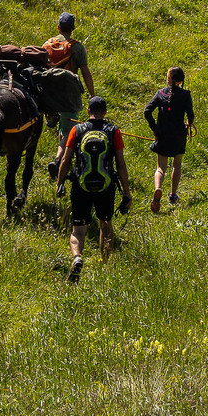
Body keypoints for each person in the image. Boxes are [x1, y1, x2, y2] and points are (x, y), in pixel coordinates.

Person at [54, 95, 131, 283]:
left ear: (88, 111)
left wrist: (60, 182)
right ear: (104, 112)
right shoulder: (114, 131)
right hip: (106, 186)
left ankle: (77, 257)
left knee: (78, 229)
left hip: (81, 185)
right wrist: (127, 193)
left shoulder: (77, 130)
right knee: (105, 224)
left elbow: (65, 159)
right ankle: (104, 264)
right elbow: (120, 164)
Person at [144, 65, 195, 213]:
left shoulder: (160, 93)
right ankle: (172, 195)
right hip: (179, 135)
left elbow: (147, 111)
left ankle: (158, 188)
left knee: (161, 167)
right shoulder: (186, 95)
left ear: (168, 79)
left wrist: (155, 129)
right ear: (181, 80)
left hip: (163, 135)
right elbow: (190, 115)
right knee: (176, 165)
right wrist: (188, 125)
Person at [44, 11, 95, 102]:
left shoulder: (47, 45)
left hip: (50, 92)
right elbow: (85, 73)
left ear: (58, 27)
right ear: (73, 28)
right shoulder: (77, 47)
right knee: (70, 116)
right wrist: (92, 94)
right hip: (69, 93)